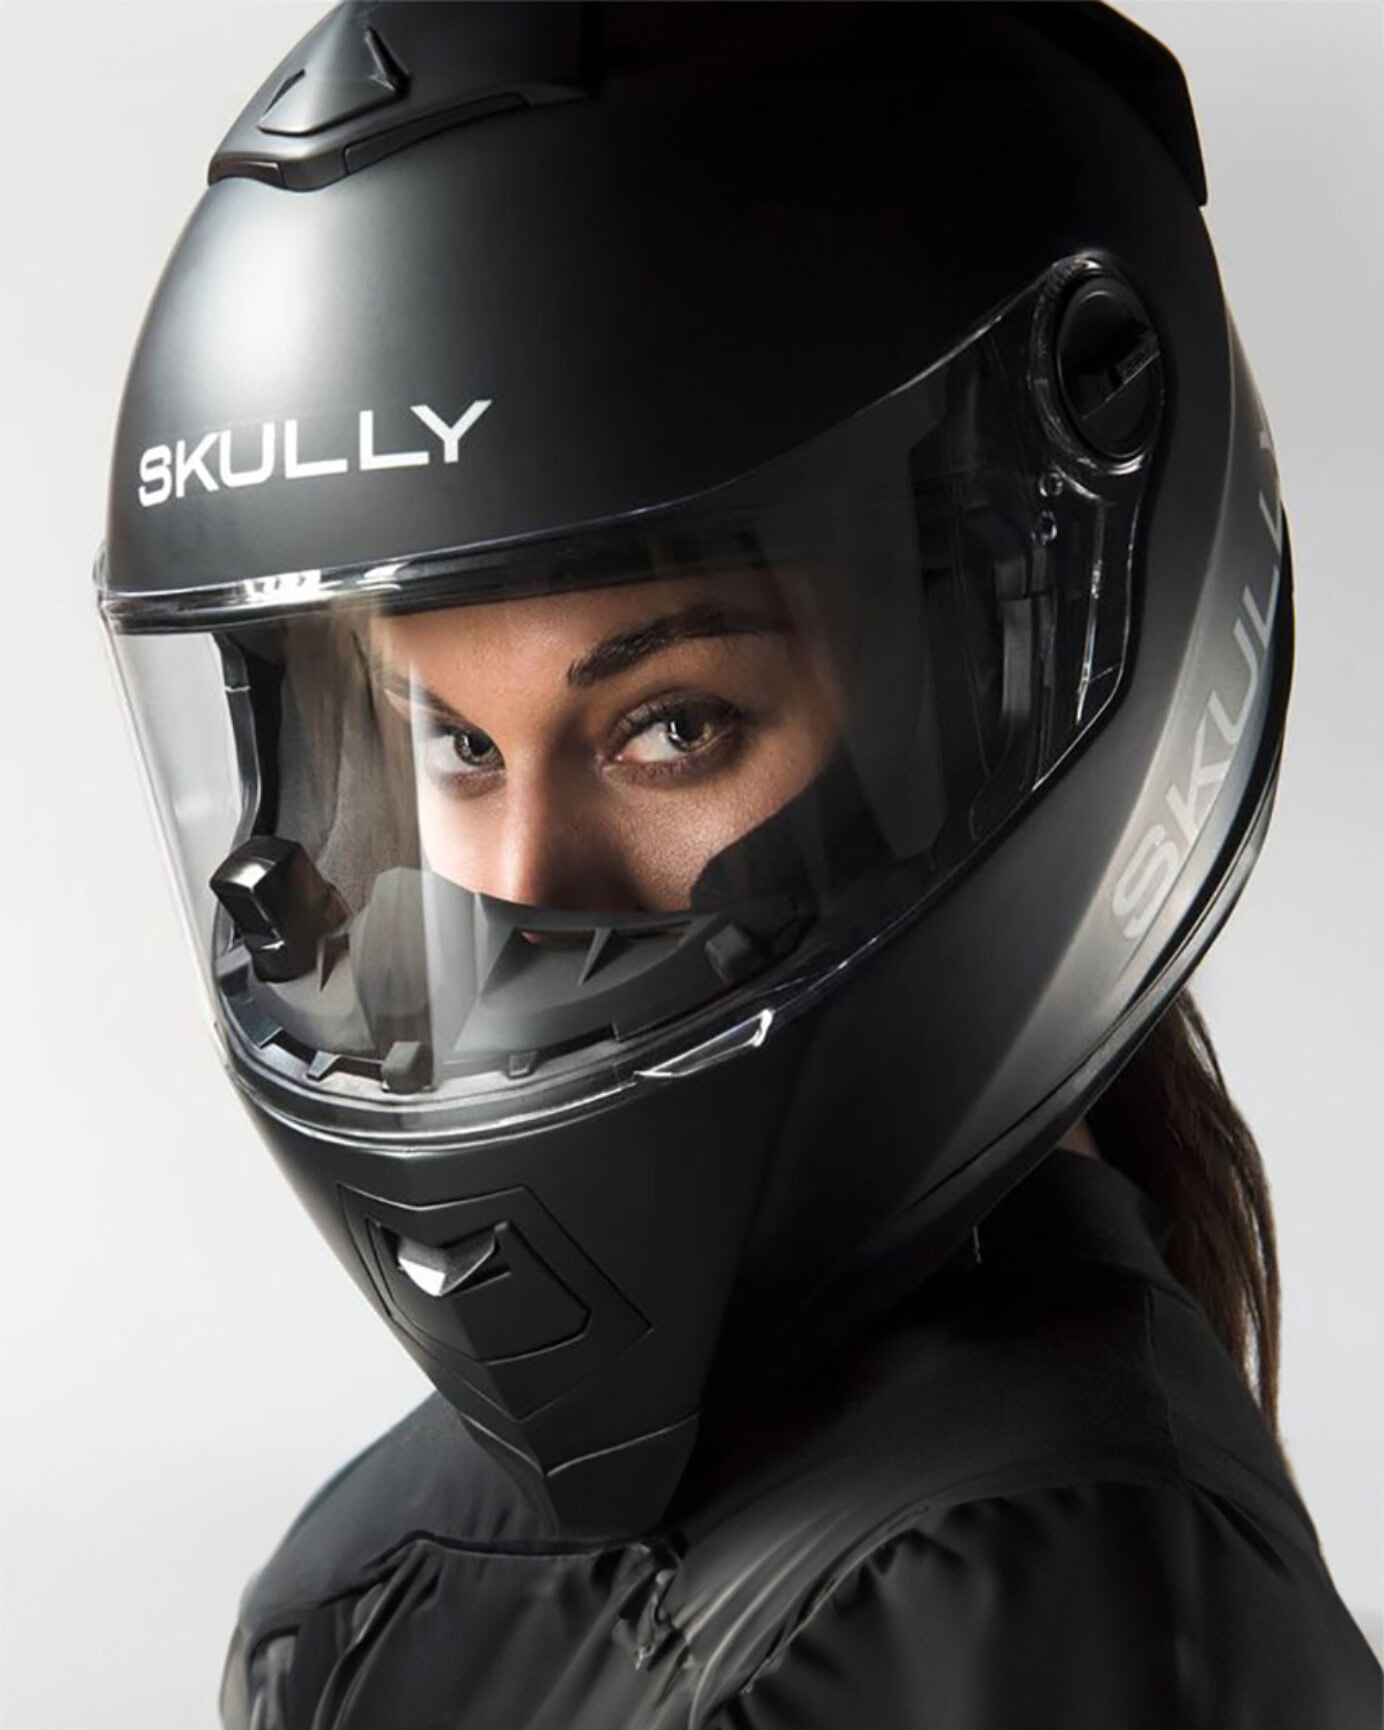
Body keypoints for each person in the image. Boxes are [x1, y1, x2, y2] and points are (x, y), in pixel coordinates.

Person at [98, 3, 1381, 1725]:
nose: (524, 889)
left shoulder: (1027, 1603)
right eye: (451, 745)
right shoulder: (389, 1569)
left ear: (1005, 690)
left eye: (673, 726)